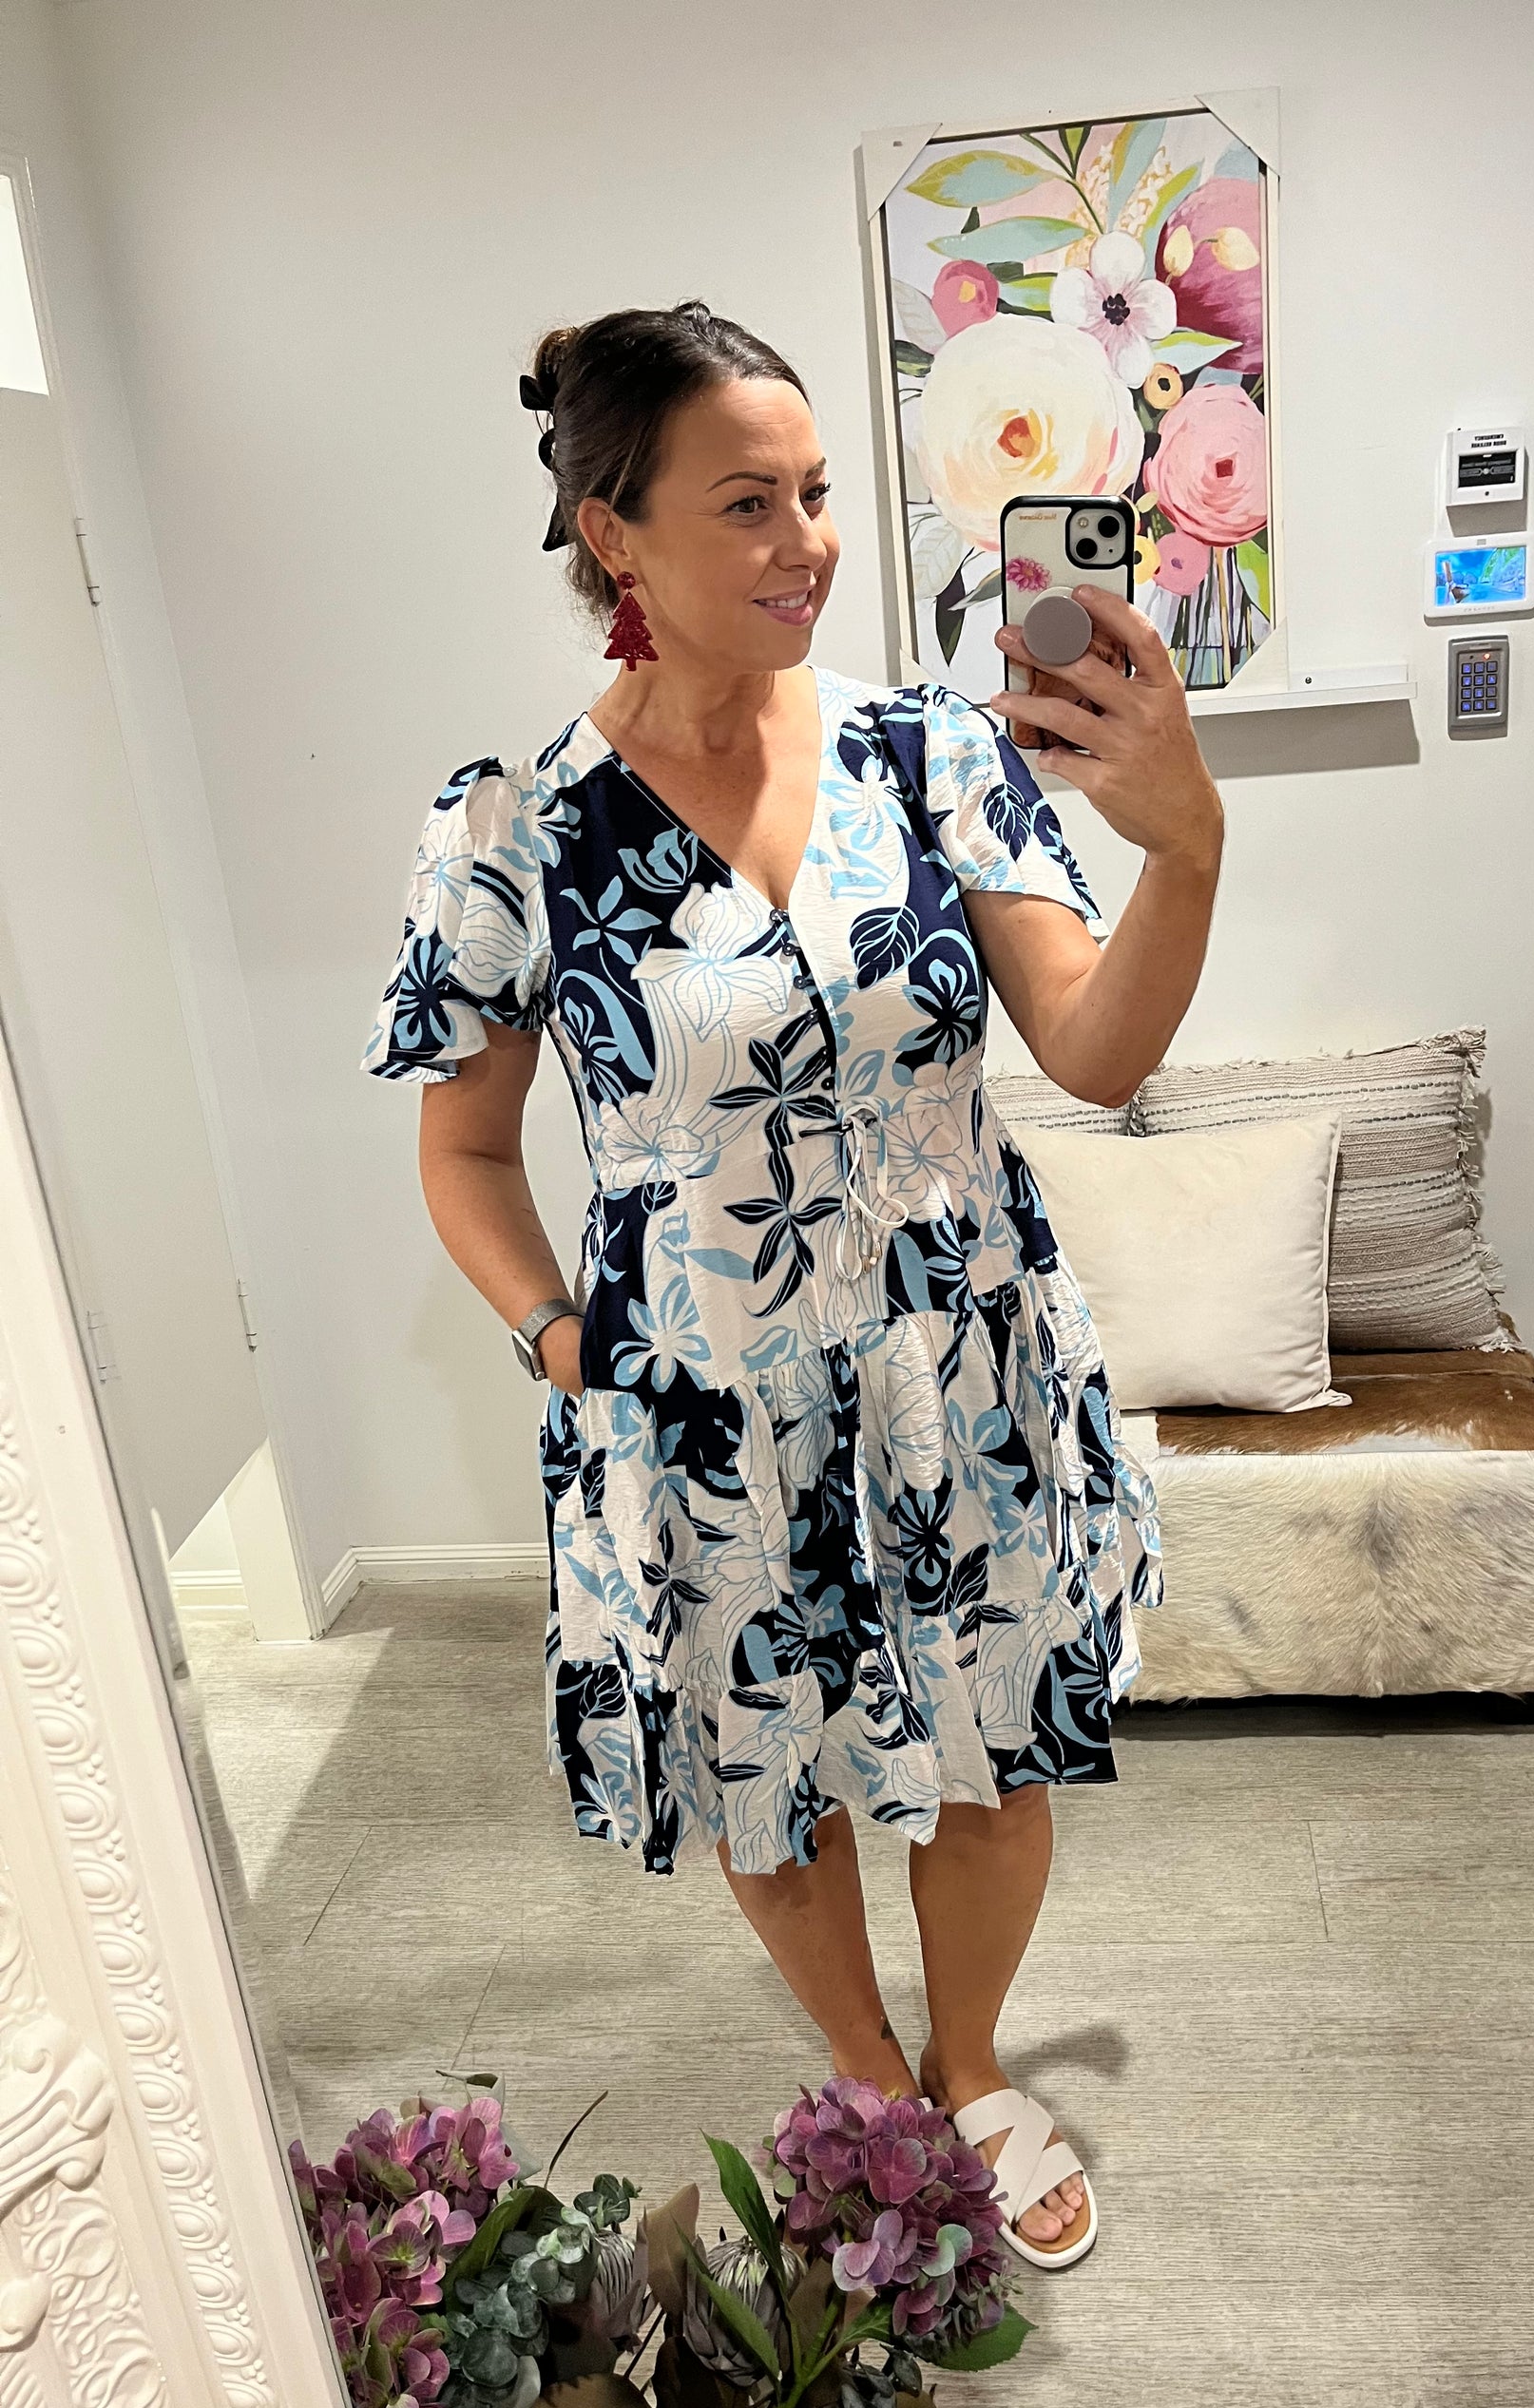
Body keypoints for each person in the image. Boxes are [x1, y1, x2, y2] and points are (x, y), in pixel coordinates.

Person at [362, 301, 1222, 2267]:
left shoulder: (932, 754)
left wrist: (1184, 848)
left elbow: (1096, 1052)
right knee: (772, 1776)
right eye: (747, 502)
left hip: (960, 1366)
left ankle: (972, 2060)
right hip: (701, 1405)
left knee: (996, 1752)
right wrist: (559, 1337)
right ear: (615, 532)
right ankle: (867, 2065)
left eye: (818, 493)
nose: (807, 542)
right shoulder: (512, 830)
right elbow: (464, 1150)